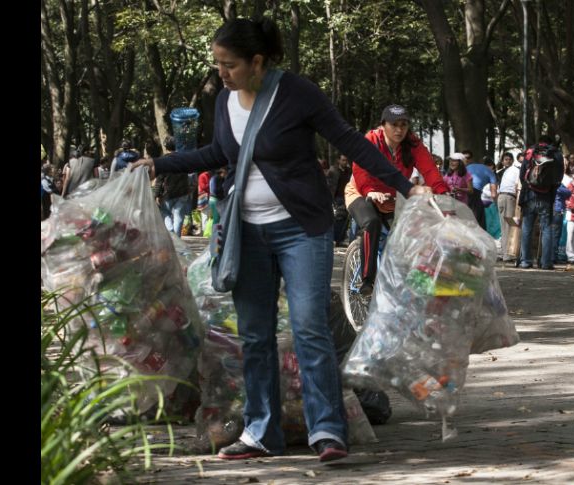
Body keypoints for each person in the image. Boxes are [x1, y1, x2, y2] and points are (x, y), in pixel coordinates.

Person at [131, 16, 431, 463]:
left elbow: (350, 142)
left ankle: (327, 431)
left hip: (301, 230)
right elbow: (219, 153)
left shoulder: (297, 93)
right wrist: (161, 163)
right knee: (255, 335)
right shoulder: (225, 102)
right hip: (246, 234)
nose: (221, 73)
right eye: (217, 64)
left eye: (229, 65)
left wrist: (408, 186)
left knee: (310, 328)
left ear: (257, 61)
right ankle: (261, 432)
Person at [346, 104, 448, 296]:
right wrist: (370, 191)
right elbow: (360, 169)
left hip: (392, 197)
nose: (399, 130)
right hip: (361, 192)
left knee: (411, 231)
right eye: (394, 125)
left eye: (404, 125)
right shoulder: (372, 140)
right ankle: (367, 281)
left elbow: (429, 170)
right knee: (372, 223)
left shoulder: (413, 144)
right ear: (383, 125)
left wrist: (443, 192)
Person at [518, 135, 563, 270]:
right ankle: (546, 262)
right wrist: (551, 189)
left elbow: (522, 174)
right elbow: (559, 177)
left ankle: (526, 261)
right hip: (546, 196)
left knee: (527, 228)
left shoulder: (531, 151)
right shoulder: (556, 154)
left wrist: (528, 186)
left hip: (529, 195)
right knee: (547, 228)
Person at [154, 136, 192, 236]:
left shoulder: (163, 160)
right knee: (179, 216)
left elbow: (159, 180)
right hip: (183, 192)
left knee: (165, 212)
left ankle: (171, 234)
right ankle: (177, 238)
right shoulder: (183, 159)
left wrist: (156, 195)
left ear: (165, 146)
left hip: (168, 193)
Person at [462, 150, 497, 229]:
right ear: (492, 166)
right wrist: (496, 204)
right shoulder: (491, 173)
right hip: (475, 193)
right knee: (478, 218)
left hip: (462, 191)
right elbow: (494, 194)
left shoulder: (468, 167)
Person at [497, 152, 519, 263]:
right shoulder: (507, 171)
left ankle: (504, 253)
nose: (508, 161)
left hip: (504, 197)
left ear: (512, 160)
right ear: (502, 161)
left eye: (510, 159)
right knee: (507, 226)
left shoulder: (511, 170)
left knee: (505, 226)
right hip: (507, 197)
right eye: (506, 159)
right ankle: (506, 254)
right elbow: (517, 185)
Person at [326, 154, 352, 246]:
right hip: (337, 197)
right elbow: (329, 185)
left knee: (345, 218)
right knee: (339, 217)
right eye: (343, 160)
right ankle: (336, 239)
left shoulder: (348, 171)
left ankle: (340, 238)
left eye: (346, 160)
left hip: (347, 196)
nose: (345, 162)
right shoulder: (333, 171)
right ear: (338, 160)